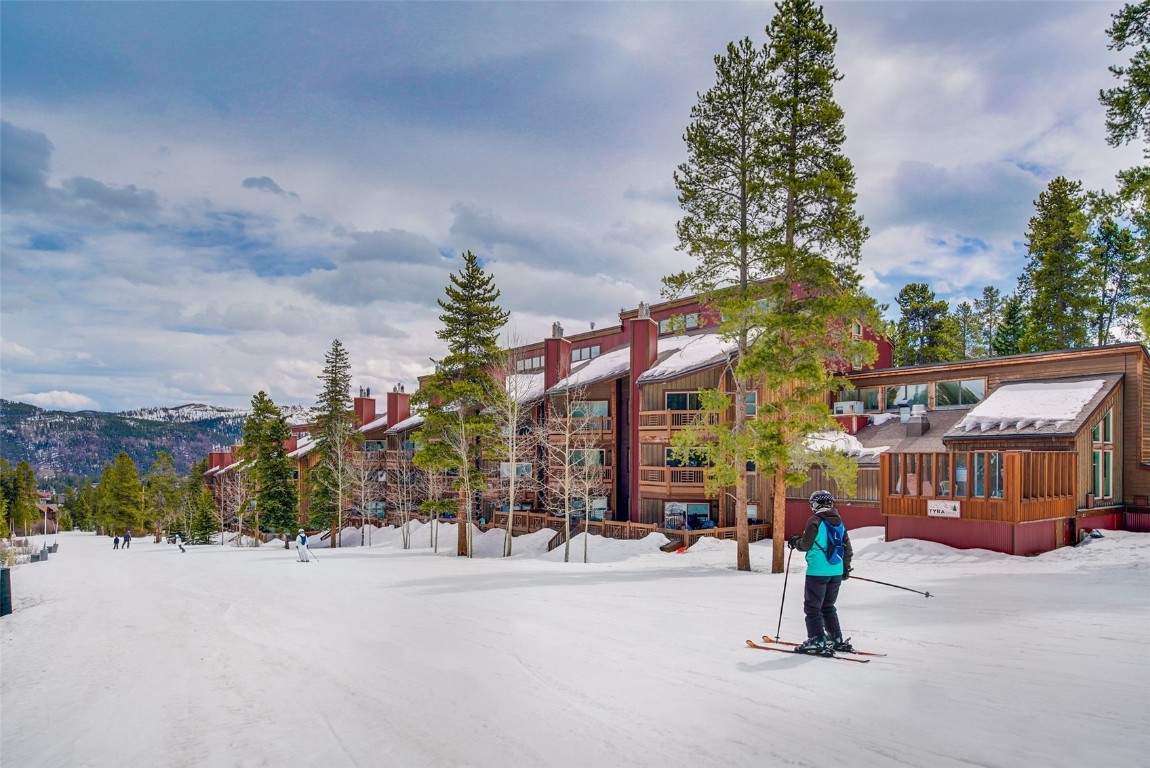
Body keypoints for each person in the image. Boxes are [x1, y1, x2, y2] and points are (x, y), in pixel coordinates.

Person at [788, 490, 854, 656]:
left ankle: (817, 639)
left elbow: (806, 545)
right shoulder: (839, 522)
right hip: (836, 571)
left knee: (812, 607)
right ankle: (835, 638)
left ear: (814, 505)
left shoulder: (815, 520)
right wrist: (845, 569)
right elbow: (848, 549)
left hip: (817, 571)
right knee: (828, 606)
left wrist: (795, 541)